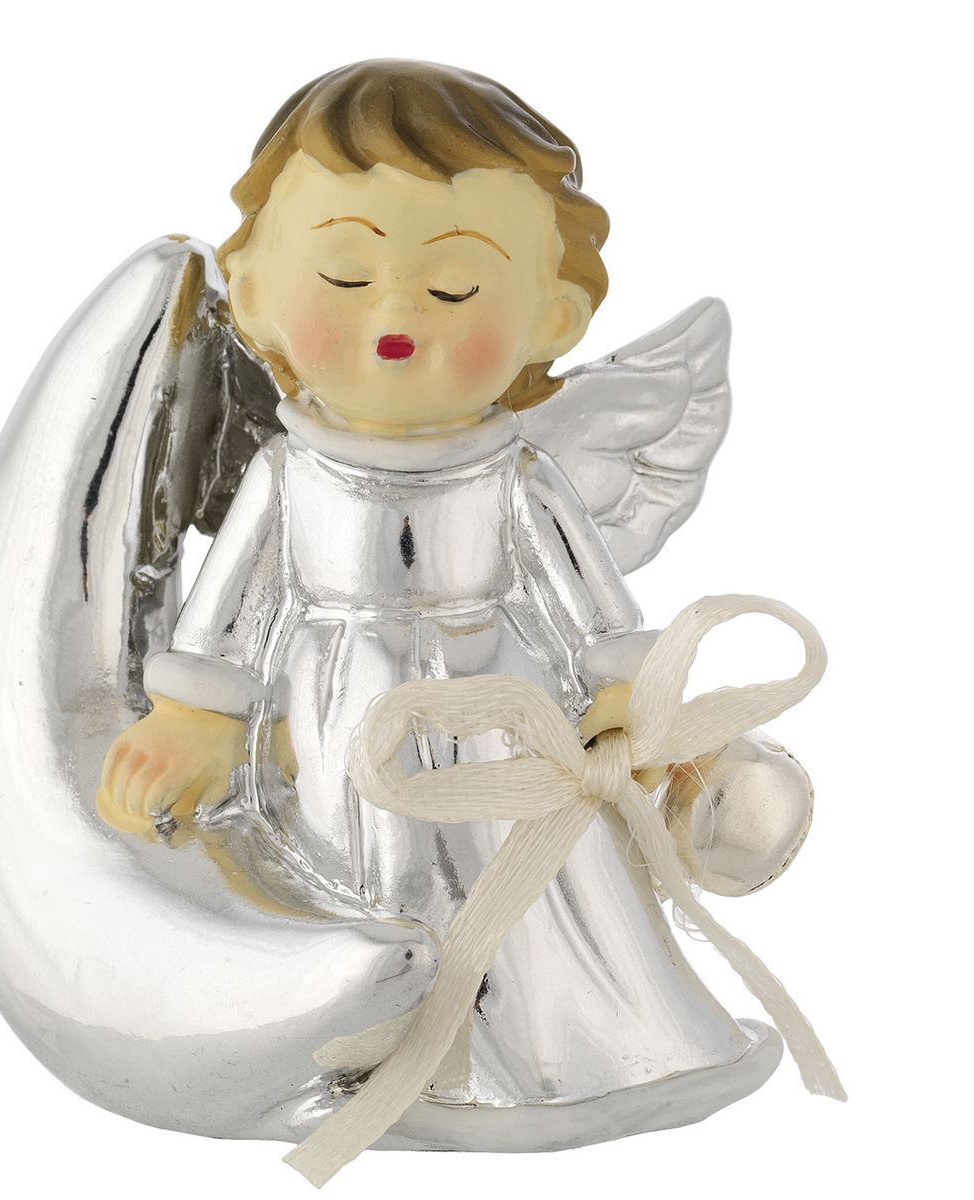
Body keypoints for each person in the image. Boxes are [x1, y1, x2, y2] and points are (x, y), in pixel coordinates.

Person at [96, 60, 764, 1110]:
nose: (398, 314)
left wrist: (629, 701)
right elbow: (220, 618)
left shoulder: (518, 476)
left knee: (524, 874)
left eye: (456, 288)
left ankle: (543, 1051)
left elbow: (594, 615)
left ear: (553, 315)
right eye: (345, 277)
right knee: (359, 869)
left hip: (494, 710)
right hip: (335, 715)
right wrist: (196, 721)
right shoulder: (286, 474)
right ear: (256, 293)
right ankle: (373, 1051)